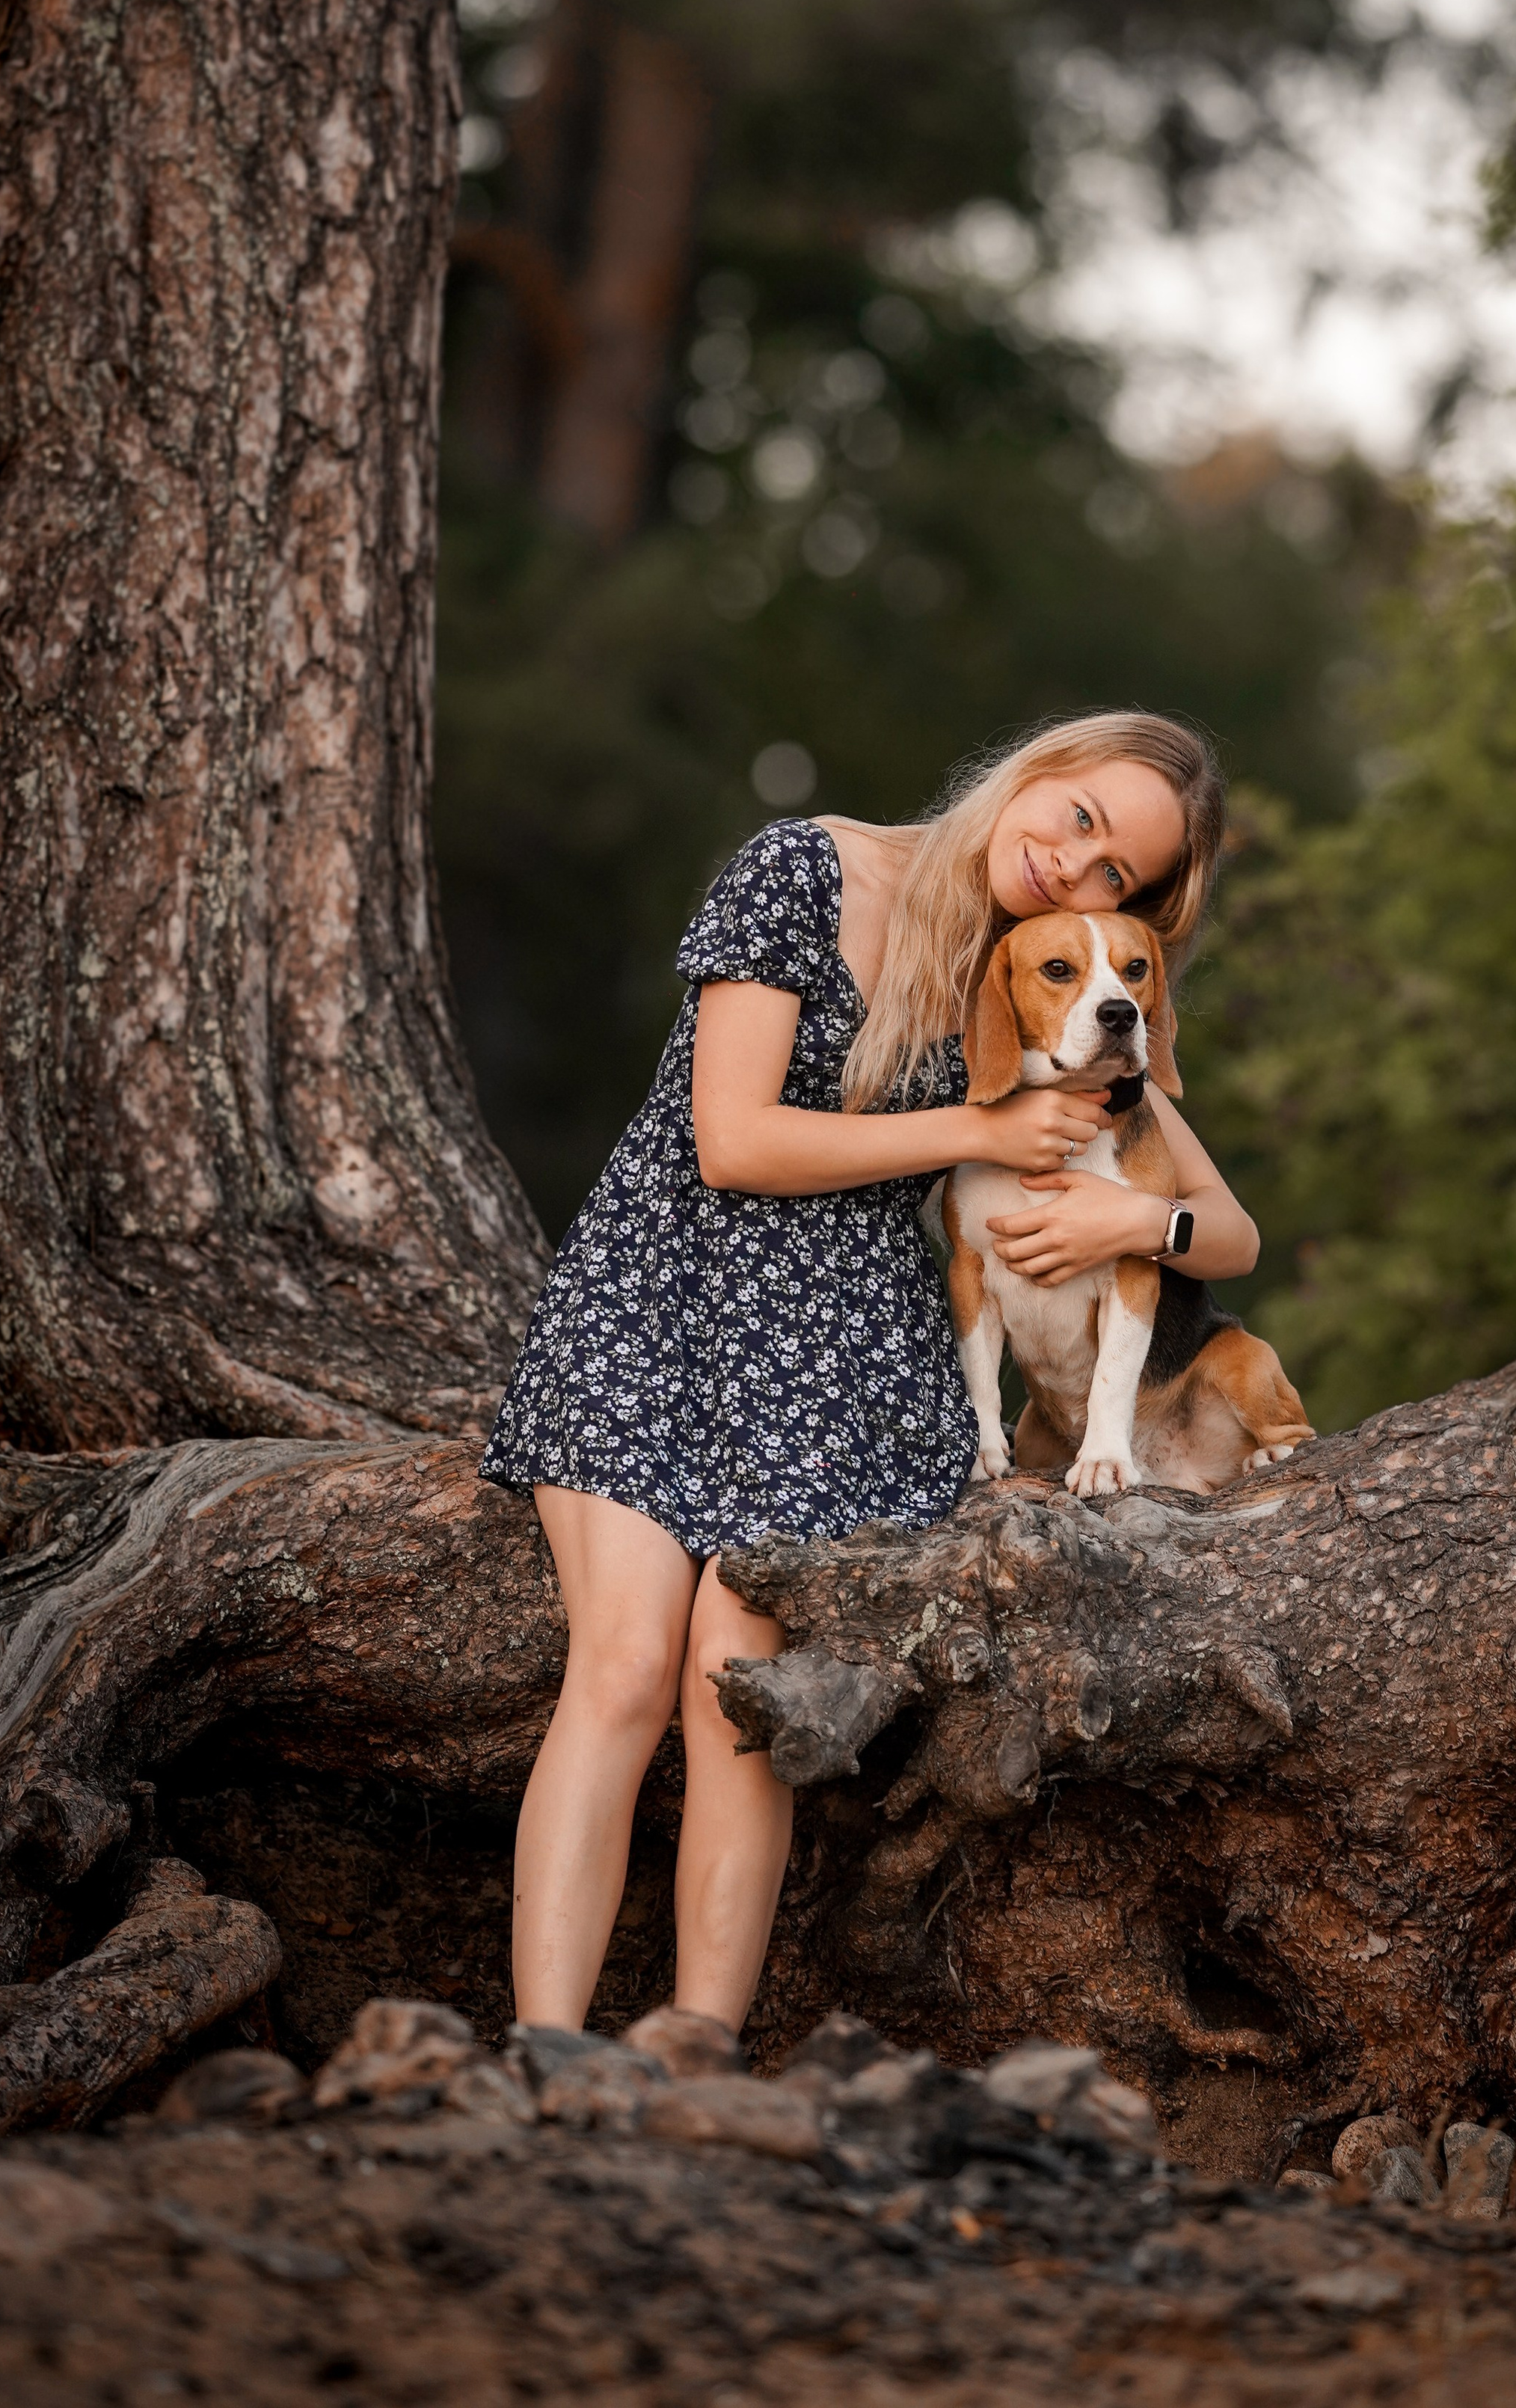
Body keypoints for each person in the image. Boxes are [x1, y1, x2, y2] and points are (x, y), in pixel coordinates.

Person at [479, 711, 1263, 2041]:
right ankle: (545, 2053)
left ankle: (697, 2055)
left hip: (844, 1349)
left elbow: (1227, 1226)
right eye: (1080, 821)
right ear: (1042, 767)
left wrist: (1139, 1224)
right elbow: (730, 1140)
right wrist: (982, 1124)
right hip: (655, 1296)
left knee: (737, 1683)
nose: (1074, 873)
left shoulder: (1037, 977)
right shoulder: (805, 869)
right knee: (618, 1661)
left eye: (1114, 876)